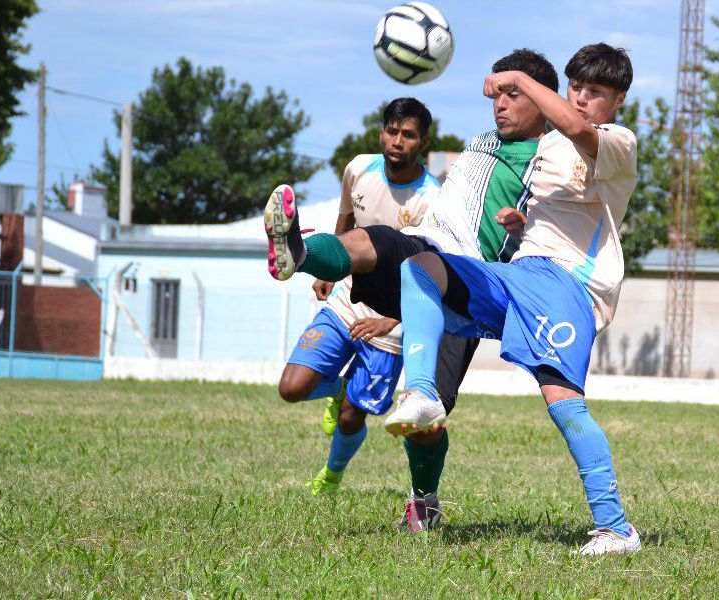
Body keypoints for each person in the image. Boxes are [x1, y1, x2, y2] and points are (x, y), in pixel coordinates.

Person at [264, 49, 559, 531]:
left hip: (473, 285)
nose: (500, 104)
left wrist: (524, 226)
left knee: (428, 420)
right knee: (371, 240)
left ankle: (424, 500)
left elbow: (560, 227)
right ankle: (299, 252)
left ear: (542, 101)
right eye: (497, 93)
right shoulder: (480, 142)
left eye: (514, 94)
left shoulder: (552, 160)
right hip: (428, 252)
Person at [385, 43, 642, 555]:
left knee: (564, 406)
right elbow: (564, 216)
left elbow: (577, 129)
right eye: (577, 88)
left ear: (617, 102)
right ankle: (420, 393)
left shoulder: (617, 140)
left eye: (597, 92)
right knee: (422, 266)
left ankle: (616, 529)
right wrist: (522, 226)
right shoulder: (546, 149)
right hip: (518, 273)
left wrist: (518, 80)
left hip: (567, 287)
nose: (583, 98)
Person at [271, 97, 440, 494]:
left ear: (423, 142)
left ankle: (331, 476)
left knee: (351, 418)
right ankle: (342, 386)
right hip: (347, 300)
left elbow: (432, 273)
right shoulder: (359, 169)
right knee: (291, 388)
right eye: (392, 131)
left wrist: (392, 319)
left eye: (409, 135)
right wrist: (331, 269)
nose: (398, 141)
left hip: (392, 319)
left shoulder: (433, 199)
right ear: (382, 132)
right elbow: (346, 218)